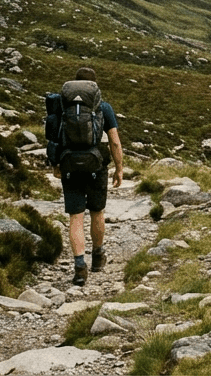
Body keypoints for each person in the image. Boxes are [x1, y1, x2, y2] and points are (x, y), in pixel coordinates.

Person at [55, 66, 123, 286]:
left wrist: (55, 164)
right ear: (94, 86)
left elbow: (53, 137)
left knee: (75, 216)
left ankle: (79, 266)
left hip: (69, 166)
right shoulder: (103, 107)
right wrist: (119, 168)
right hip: (96, 166)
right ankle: (97, 256)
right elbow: (114, 141)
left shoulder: (62, 106)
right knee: (97, 212)